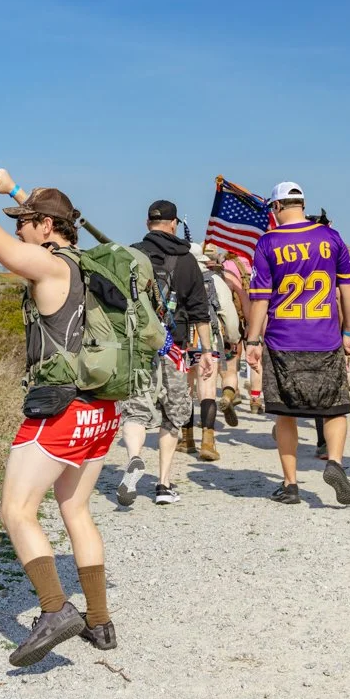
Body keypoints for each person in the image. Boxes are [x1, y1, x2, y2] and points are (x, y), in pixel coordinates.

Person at [0, 156, 118, 665]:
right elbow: (49, 221)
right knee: (76, 510)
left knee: (16, 510)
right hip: (101, 411)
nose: (19, 228)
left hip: (60, 410)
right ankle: (100, 624)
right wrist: (17, 191)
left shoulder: (49, 265)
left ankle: (55, 610)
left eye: (26, 222)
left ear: (46, 227)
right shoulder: (91, 263)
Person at [245, 182, 350, 506]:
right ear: (302, 203)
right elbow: (348, 289)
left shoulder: (268, 242)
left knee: (285, 415)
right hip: (325, 338)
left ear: (278, 207)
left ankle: (291, 484)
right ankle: (335, 462)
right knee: (335, 408)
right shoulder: (330, 237)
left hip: (283, 339)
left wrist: (252, 339)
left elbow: (259, 297)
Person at [116, 200, 216, 505]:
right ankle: (162, 484)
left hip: (137, 347)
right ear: (173, 224)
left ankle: (134, 458)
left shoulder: (130, 254)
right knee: (172, 415)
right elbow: (200, 311)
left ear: (148, 223)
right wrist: (208, 351)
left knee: (136, 410)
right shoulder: (186, 260)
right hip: (174, 346)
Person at [195, 246, 242, 431]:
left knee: (188, 388)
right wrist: (234, 337)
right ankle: (208, 438)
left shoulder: (178, 277)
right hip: (214, 339)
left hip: (185, 340)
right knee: (224, 375)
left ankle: (188, 438)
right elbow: (229, 313)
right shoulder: (217, 279)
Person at [219, 250, 265, 415]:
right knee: (255, 358)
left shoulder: (227, 266)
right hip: (254, 313)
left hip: (233, 316)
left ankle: (234, 389)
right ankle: (255, 399)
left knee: (232, 357)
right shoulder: (252, 264)